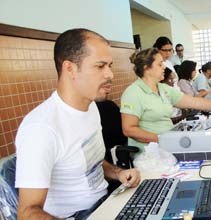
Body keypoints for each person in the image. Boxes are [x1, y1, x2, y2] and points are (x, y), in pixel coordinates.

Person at [14, 28, 141, 219]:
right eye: (100, 66)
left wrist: (117, 173)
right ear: (70, 68)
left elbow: (89, 163)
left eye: (110, 66)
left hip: (107, 203)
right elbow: (27, 213)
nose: (110, 75)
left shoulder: (91, 107)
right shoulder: (40, 129)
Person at [121, 48, 211, 150]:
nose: (164, 67)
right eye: (160, 64)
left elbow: (194, 102)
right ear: (147, 68)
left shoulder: (163, 88)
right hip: (150, 154)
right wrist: (163, 139)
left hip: (168, 146)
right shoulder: (133, 93)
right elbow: (129, 129)